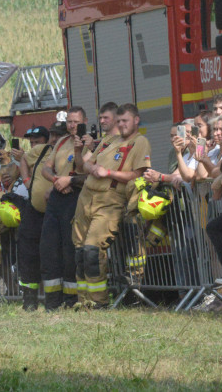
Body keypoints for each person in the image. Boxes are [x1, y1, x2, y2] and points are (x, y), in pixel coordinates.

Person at [71, 103, 151, 308]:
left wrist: (108, 173)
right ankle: (83, 302)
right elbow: (83, 166)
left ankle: (99, 302)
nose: (122, 125)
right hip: (86, 198)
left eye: (126, 121)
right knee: (80, 252)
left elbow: (138, 174)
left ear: (136, 120)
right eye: (119, 121)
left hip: (110, 200)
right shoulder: (108, 141)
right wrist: (85, 158)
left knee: (92, 250)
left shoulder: (139, 142)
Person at [40, 107, 89, 310]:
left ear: (84, 121)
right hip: (57, 198)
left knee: (70, 250)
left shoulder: (90, 143)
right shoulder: (60, 142)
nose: (71, 125)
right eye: (69, 121)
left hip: (75, 198)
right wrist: (56, 180)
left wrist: (68, 180)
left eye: (76, 122)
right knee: (49, 248)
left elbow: (84, 170)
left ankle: (71, 300)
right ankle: (52, 302)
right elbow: (45, 167)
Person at [14, 126, 53, 311]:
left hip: (54, 212)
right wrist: (27, 181)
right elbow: (23, 160)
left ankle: (54, 300)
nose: (33, 145)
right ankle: (29, 300)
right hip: (34, 211)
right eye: (31, 141)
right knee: (28, 252)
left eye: (37, 141)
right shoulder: (38, 152)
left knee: (52, 254)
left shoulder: (60, 152)